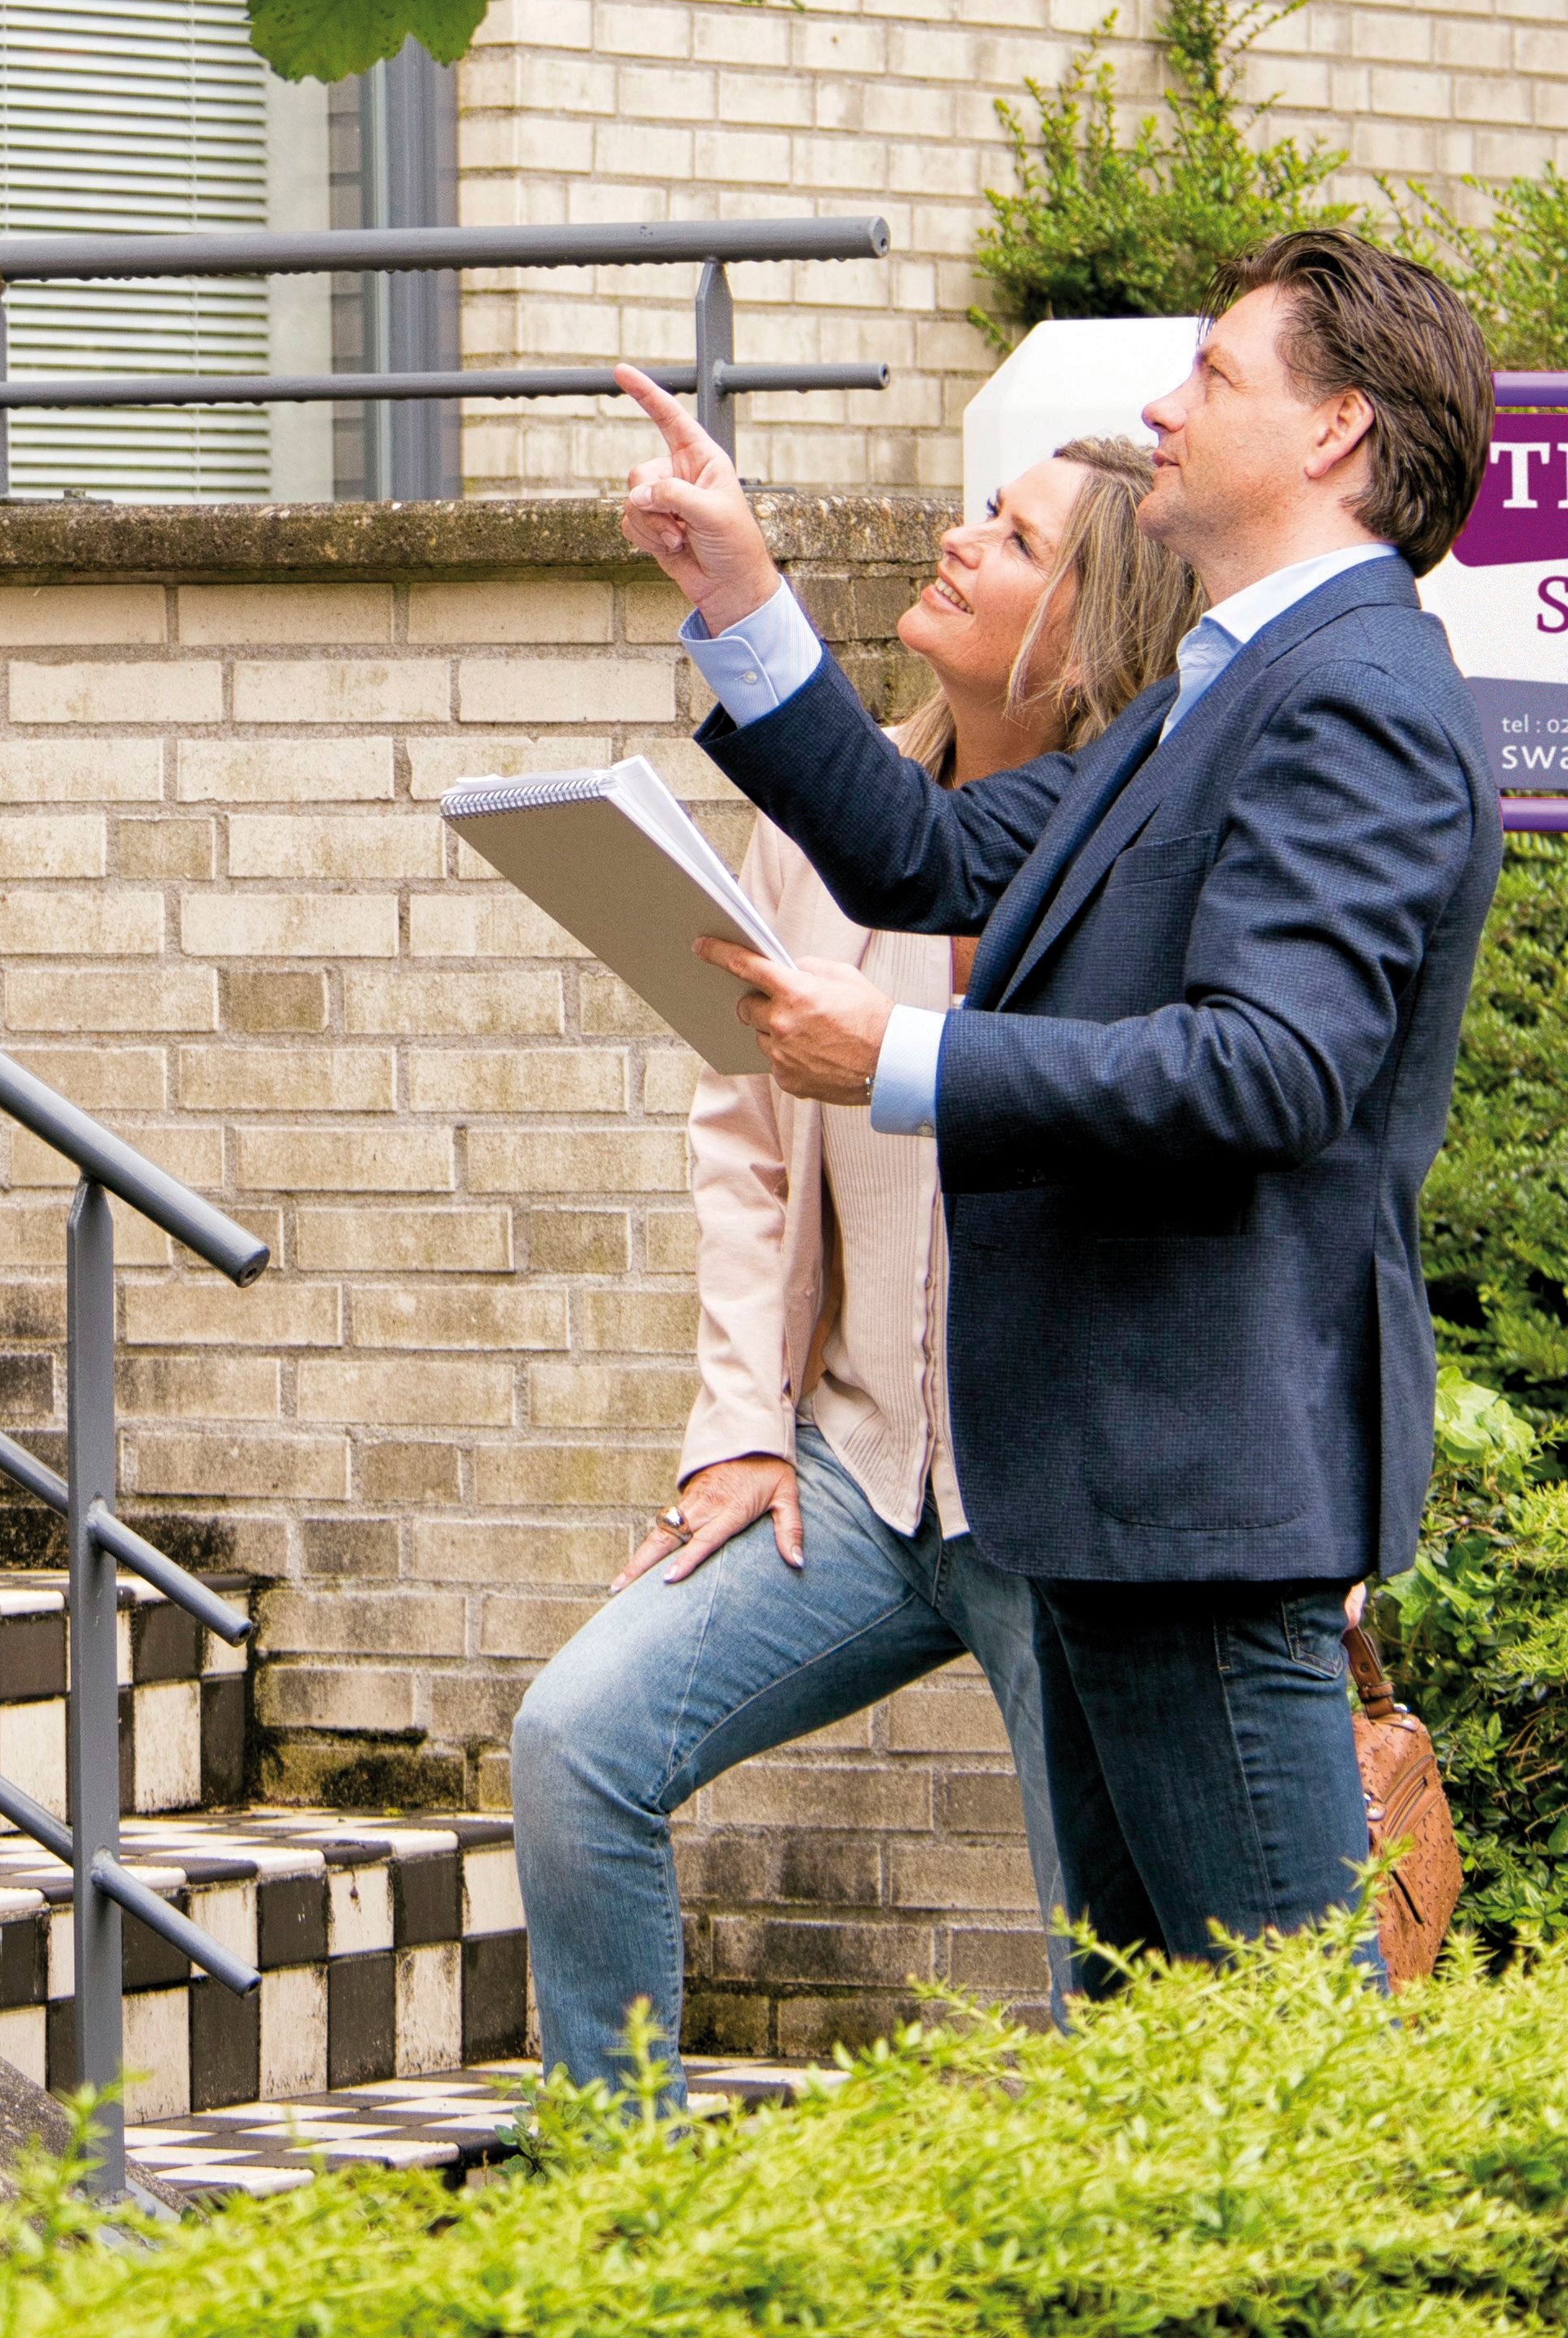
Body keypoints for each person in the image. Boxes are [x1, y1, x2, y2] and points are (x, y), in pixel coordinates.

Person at [613, 226, 1504, 1990]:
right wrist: (739, 597)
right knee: (1141, 2056)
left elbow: (1272, 1067)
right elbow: (926, 850)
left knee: (1273, 2073)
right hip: (1111, 1497)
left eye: (1211, 375)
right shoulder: (1219, 687)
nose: (1162, 408)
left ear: (1332, 433)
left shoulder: (1354, 698)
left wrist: (904, 1062)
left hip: (1200, 1495)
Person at [505, 435, 1203, 2096]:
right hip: (858, 1470)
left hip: (1060, 1497)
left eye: (1011, 533)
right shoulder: (825, 815)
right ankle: (621, 2209)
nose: (955, 540)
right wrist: (735, 1424)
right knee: (574, 1739)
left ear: (1098, 620)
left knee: (1098, 1946)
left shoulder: (1145, 850)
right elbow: (744, 1136)